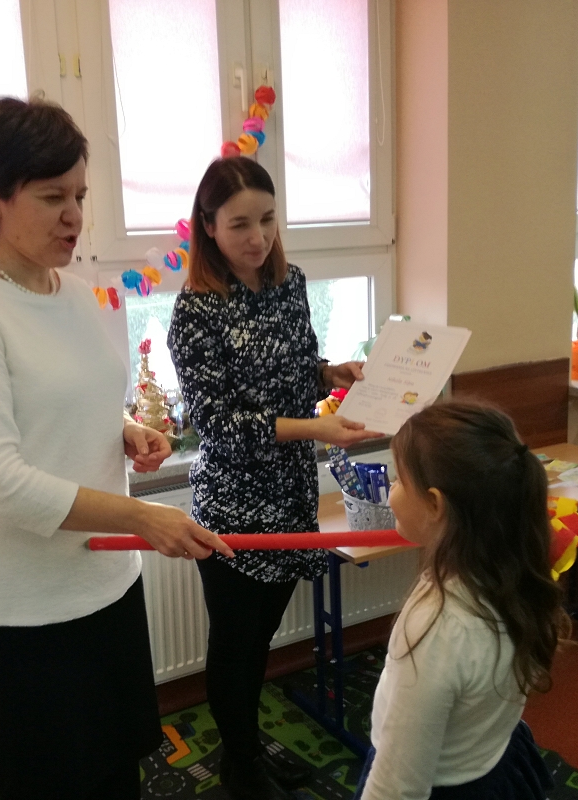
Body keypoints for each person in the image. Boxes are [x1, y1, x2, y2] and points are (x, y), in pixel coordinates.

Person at [0, 97, 233, 800]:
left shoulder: (79, 295)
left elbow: (66, 398)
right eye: (52, 197)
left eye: (80, 196)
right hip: (15, 608)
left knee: (118, 773)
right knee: (54, 785)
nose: (74, 216)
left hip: (103, 583)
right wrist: (142, 516)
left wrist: (122, 428)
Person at [167, 156, 383, 800]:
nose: (258, 237)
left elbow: (292, 365)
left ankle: (245, 757)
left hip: (289, 494)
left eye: (267, 219)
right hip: (234, 507)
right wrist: (315, 427)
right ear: (208, 226)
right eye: (240, 224)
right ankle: (243, 769)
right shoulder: (195, 312)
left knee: (258, 641)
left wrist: (330, 373)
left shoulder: (290, 284)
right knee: (235, 647)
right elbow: (217, 425)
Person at [353, 401, 569, 800]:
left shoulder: (435, 630)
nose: (391, 491)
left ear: (435, 504)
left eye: (398, 480)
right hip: (491, 759)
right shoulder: (508, 568)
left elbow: (397, 786)